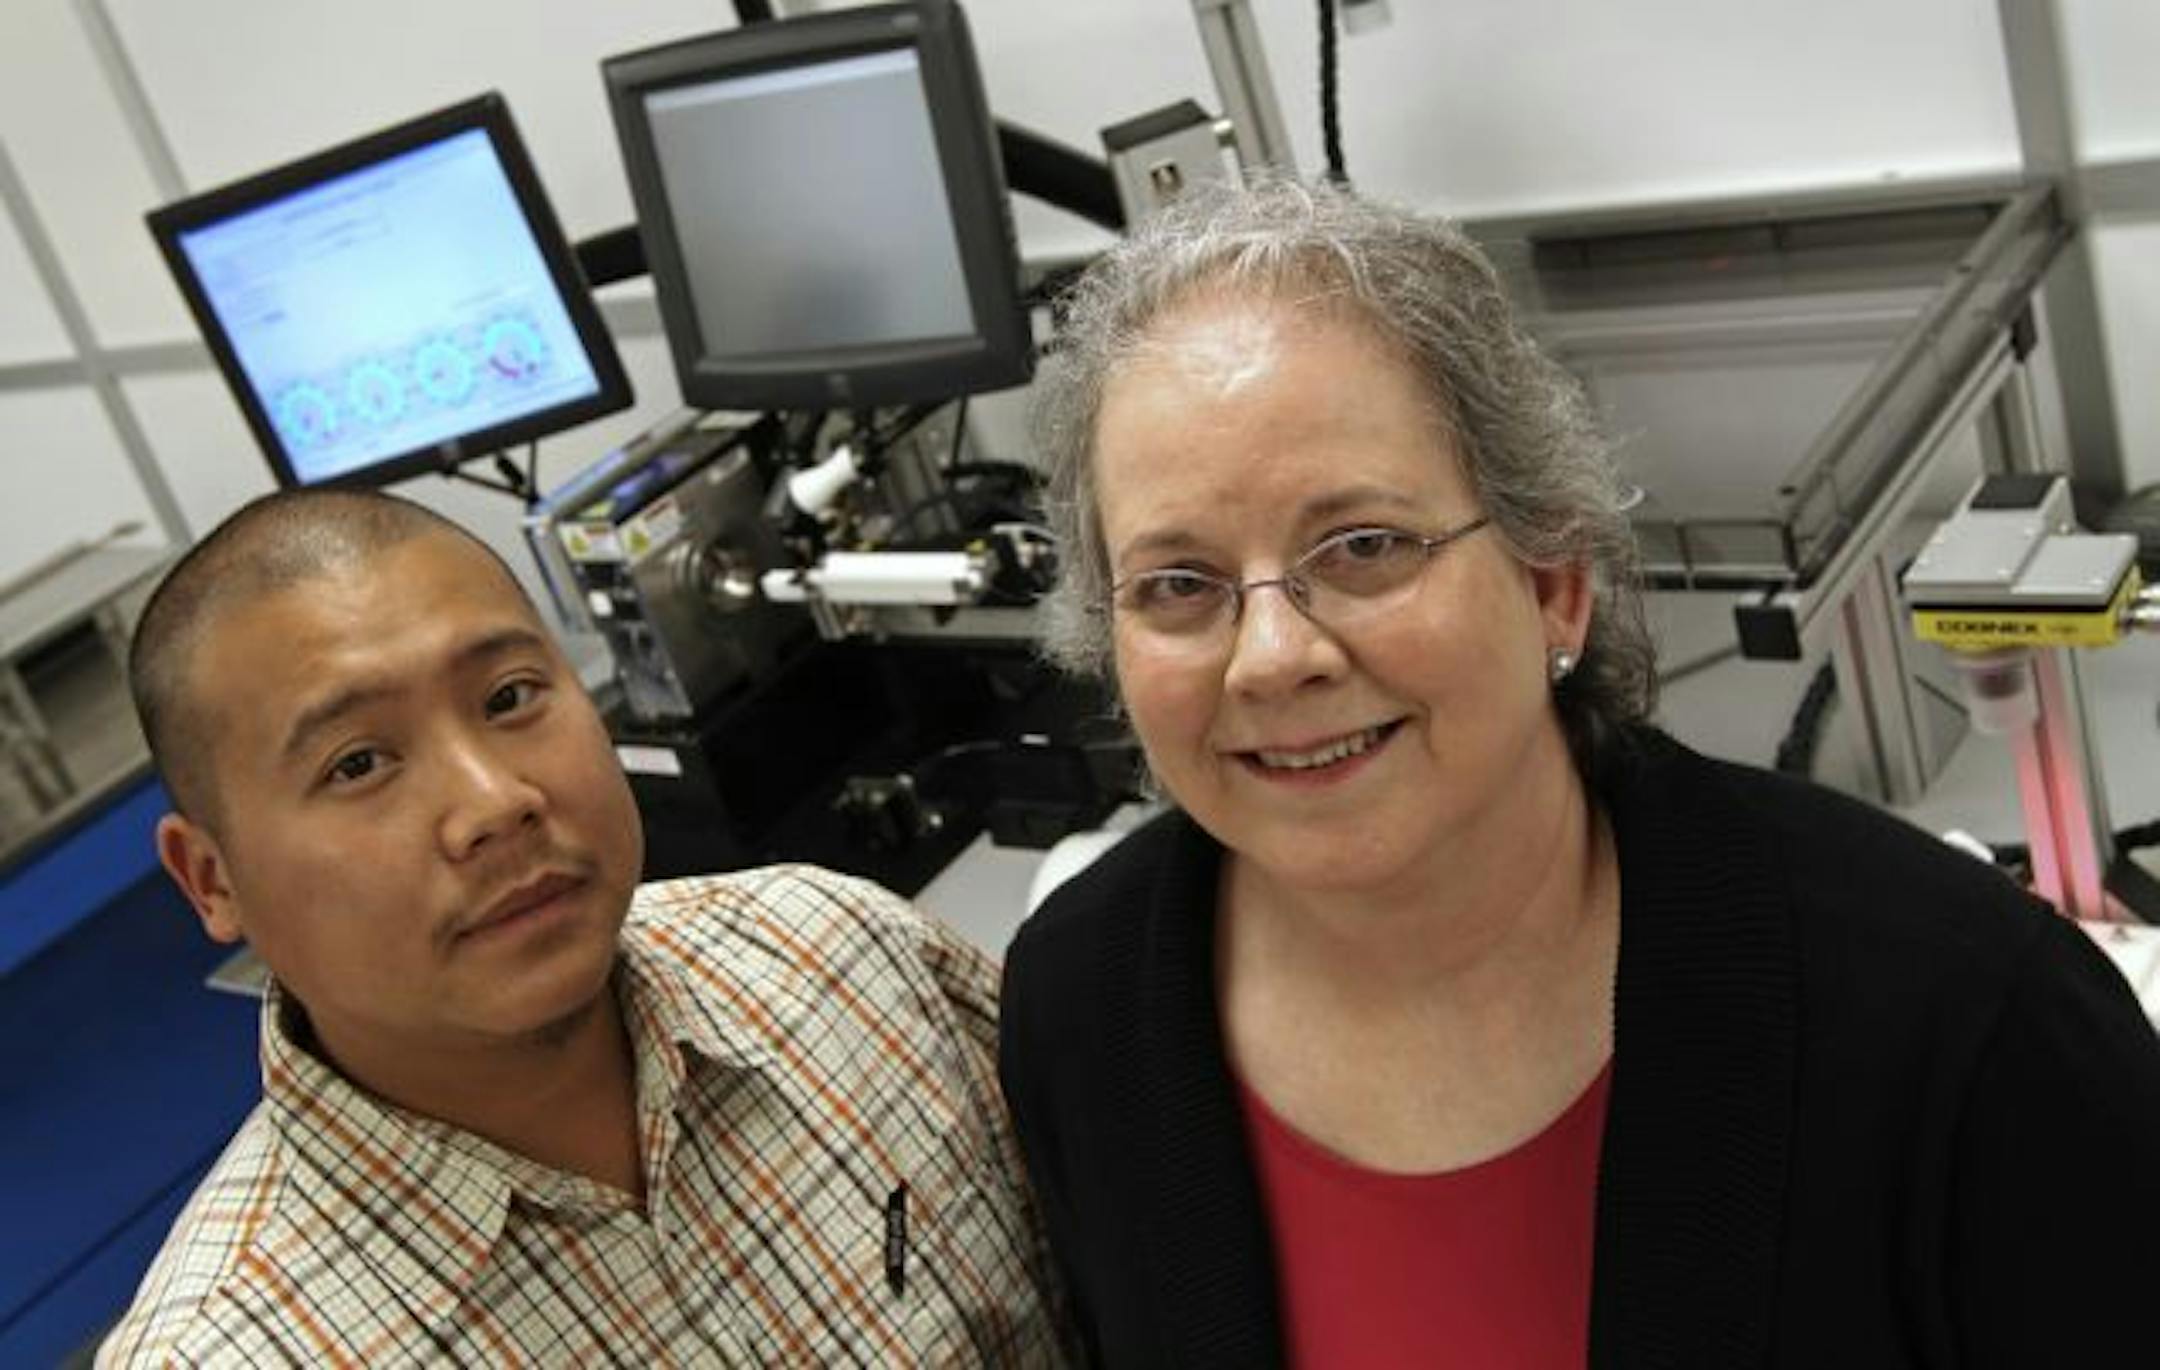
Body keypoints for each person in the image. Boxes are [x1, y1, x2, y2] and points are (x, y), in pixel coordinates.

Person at [997, 176, 2160, 1367]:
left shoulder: (1972, 1025)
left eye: (1364, 547)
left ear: (1555, 578)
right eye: (1178, 585)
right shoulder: (1077, 1008)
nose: (1274, 656)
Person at [101, 489, 1063, 1366]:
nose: (494, 803)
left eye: (510, 698)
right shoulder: (226, 1350)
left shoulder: (840, 955)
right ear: (212, 880)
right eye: (358, 764)